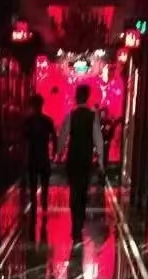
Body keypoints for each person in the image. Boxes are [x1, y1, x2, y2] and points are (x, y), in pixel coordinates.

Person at [58, 85, 104, 244]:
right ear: (87, 97)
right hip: (86, 159)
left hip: (73, 158)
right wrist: (101, 161)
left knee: (74, 191)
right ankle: (80, 219)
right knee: (83, 190)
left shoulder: (71, 116)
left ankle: (75, 225)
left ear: (76, 97)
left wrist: (59, 153)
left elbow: (63, 136)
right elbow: (98, 140)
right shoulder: (93, 117)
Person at [23, 94, 57, 216]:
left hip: (32, 156)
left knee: (33, 185)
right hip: (43, 156)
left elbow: (24, 137)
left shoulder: (28, 121)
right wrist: (54, 152)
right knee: (44, 183)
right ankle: (44, 204)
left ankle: (34, 206)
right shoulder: (47, 121)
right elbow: (54, 137)